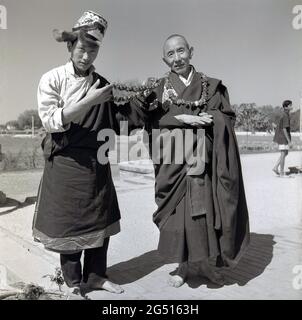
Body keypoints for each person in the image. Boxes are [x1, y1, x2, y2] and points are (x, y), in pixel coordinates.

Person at [117, 34, 250, 287]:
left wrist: (211, 118)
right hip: (172, 164)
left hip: (203, 163)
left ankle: (203, 264)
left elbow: (227, 118)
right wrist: (179, 119)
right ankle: (183, 265)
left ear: (191, 51)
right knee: (178, 216)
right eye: (171, 54)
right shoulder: (156, 89)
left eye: (181, 51)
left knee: (203, 214)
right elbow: (141, 118)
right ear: (164, 59)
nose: (177, 58)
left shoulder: (211, 86)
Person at [33, 11, 127, 294]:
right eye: (82, 49)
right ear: (70, 47)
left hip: (96, 163)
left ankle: (97, 275)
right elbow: (51, 120)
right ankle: (73, 283)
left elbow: (116, 121)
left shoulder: (102, 83)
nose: (86, 56)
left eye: (93, 50)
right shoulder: (52, 79)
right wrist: (90, 100)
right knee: (70, 223)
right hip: (66, 162)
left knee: (99, 217)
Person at [273, 100, 293, 177]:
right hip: (283, 137)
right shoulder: (285, 115)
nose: (291, 106)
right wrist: (289, 141)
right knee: (283, 154)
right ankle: (281, 172)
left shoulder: (285, 114)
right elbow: (284, 129)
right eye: (290, 105)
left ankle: (275, 167)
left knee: (285, 153)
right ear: (285, 107)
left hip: (282, 136)